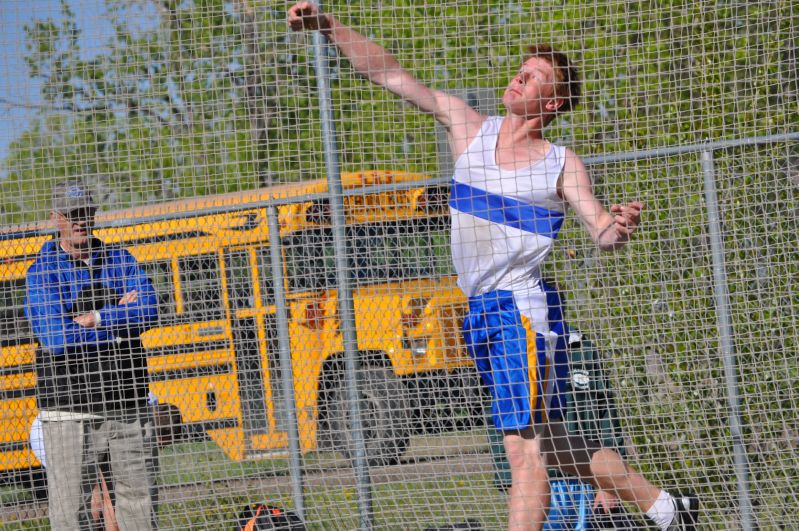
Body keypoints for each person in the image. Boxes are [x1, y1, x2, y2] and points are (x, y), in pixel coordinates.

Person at [287, 4, 699, 530]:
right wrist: (328, 26)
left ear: (550, 101)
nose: (519, 76)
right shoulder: (469, 129)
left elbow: (602, 231)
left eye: (534, 77)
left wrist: (620, 225)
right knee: (546, 444)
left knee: (522, 454)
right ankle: (667, 509)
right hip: (478, 310)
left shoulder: (560, 162)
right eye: (521, 69)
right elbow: (388, 72)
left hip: (519, 310)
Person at [25, 180, 159, 530]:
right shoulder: (42, 271)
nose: (80, 221)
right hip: (69, 409)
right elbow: (54, 338)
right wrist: (120, 318)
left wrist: (99, 317)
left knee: (139, 502)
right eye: (72, 215)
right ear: (56, 219)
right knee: (73, 512)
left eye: (86, 213)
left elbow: (150, 310)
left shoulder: (120, 259)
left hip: (127, 401)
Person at [487, 283, 641, 530]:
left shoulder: (584, 351)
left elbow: (606, 416)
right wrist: (509, 481)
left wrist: (607, 486)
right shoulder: (516, 356)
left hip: (587, 481)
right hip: (542, 476)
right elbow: (503, 422)